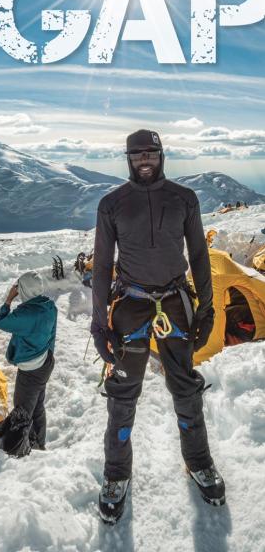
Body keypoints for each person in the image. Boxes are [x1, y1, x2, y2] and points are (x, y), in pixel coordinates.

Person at [90, 129, 225, 524]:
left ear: (161, 155)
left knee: (185, 388)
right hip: (130, 305)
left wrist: (207, 309)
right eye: (136, 154)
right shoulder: (111, 204)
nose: (143, 160)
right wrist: (100, 324)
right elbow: (100, 266)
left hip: (174, 302)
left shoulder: (184, 199)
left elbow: (199, 254)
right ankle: (116, 475)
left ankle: (199, 462)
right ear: (127, 157)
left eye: (150, 152)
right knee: (122, 395)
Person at [0, 271, 57, 451]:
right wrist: (49, 353)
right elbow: (53, 334)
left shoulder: (25, 315)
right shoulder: (49, 306)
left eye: (19, 288)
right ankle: (38, 444)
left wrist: (8, 299)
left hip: (30, 370)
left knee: (22, 411)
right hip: (45, 363)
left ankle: (17, 449)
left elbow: (1, 322)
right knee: (37, 407)